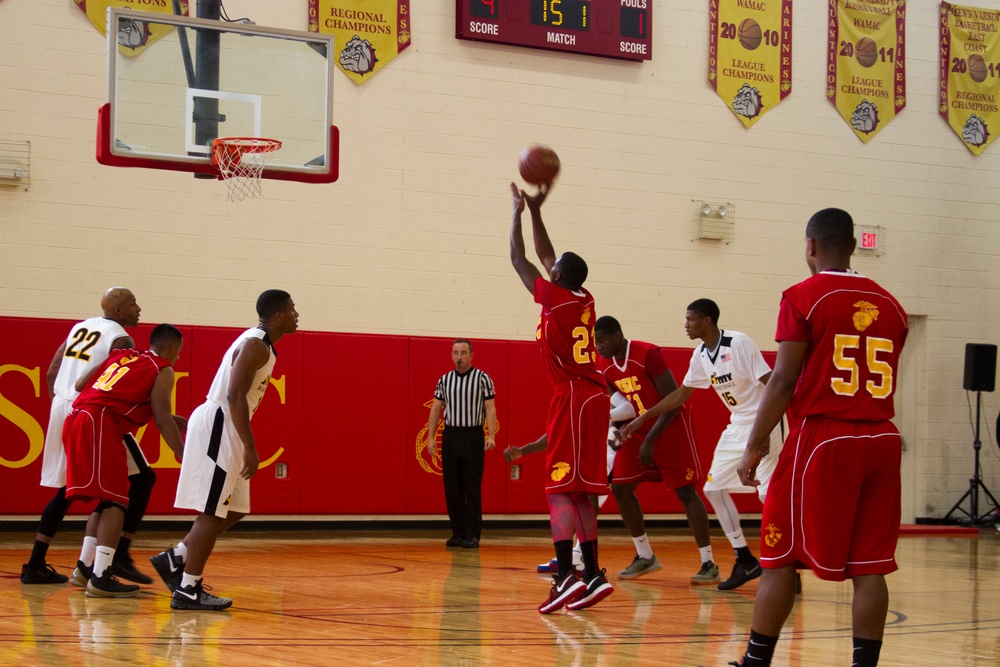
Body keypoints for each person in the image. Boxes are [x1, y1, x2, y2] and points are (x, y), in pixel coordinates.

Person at [730, 209, 908, 667]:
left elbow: (784, 379)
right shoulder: (892, 304)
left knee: (779, 555)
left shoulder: (803, 297)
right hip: (883, 439)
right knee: (871, 566)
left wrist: (755, 443)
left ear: (810, 246)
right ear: (852, 246)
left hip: (825, 436)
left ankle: (754, 662)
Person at [151, 289, 298, 611]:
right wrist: (250, 446)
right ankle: (188, 589)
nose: (297, 315)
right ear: (278, 316)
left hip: (226, 422)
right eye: (292, 309)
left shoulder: (262, 344)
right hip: (221, 422)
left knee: (236, 508)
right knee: (212, 510)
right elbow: (233, 396)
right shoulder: (256, 345)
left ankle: (177, 557)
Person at [622, 300, 783, 591]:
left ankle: (785, 566)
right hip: (737, 426)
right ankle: (744, 559)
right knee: (713, 488)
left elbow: (773, 384)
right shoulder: (700, 355)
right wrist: (642, 417)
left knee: (767, 495)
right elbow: (682, 394)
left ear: (707, 321)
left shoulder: (739, 343)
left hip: (763, 421)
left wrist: (768, 431)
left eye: (691, 320)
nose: (686, 325)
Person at [509, 182, 613, 614]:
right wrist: (536, 211)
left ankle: (566, 576)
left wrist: (515, 212)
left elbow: (520, 258)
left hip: (572, 394)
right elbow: (550, 258)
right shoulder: (583, 297)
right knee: (582, 492)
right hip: (594, 396)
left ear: (555, 279)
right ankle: (591, 575)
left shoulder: (554, 298)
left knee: (557, 490)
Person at [21, 287, 158, 586]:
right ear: (119, 311)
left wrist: (61, 405)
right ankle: (116, 555)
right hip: (92, 411)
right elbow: (114, 382)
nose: (139, 308)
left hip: (62, 406)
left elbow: (52, 370)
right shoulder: (121, 338)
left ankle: (38, 563)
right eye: (133, 303)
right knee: (139, 479)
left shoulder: (81, 326)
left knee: (68, 486)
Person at [63, 323, 186, 597]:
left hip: (78, 418)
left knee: (107, 499)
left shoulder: (123, 355)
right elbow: (163, 419)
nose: (178, 357)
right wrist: (183, 454)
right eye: (179, 352)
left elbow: (81, 384)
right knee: (117, 501)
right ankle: (101, 576)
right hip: (100, 422)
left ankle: (85, 568)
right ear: (172, 347)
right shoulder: (163, 369)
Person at [593, 316, 716, 583]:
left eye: (601, 340)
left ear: (617, 336)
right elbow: (623, 406)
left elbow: (673, 398)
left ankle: (709, 562)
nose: (598, 346)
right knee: (620, 488)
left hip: (670, 426)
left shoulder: (647, 355)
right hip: (638, 429)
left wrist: (651, 438)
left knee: (685, 492)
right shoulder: (605, 367)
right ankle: (645, 555)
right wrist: (617, 432)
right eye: (595, 342)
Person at [427, 339, 497, 549]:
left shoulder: (483, 378)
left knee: (472, 487)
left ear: (471, 355)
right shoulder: (444, 380)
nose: (459, 357)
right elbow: (436, 409)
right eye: (456, 353)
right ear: (451, 355)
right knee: (452, 487)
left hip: (473, 436)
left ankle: (473, 535)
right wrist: (431, 438)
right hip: (451, 436)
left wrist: (490, 435)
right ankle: (457, 533)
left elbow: (490, 409)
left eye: (463, 353)